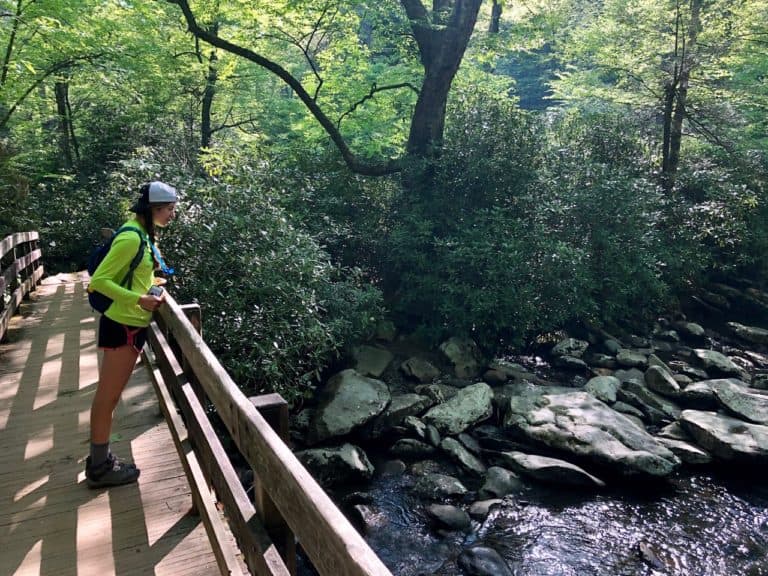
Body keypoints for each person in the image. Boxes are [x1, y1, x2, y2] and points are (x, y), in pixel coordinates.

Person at [85, 181, 178, 488]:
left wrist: (153, 282)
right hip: (122, 326)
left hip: (130, 325)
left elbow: (137, 273)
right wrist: (139, 299)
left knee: (108, 397)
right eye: (168, 209)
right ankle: (100, 467)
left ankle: (100, 461)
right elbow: (99, 281)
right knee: (107, 398)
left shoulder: (142, 233)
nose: (172, 215)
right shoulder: (130, 237)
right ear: (153, 210)